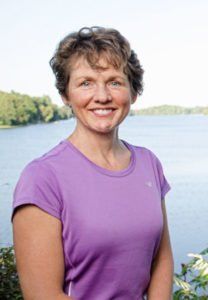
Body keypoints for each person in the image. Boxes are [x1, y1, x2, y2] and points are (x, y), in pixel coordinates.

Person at [11, 26, 174, 300]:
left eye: (115, 82)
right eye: (85, 83)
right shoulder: (42, 177)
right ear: (66, 95)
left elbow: (162, 260)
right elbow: (43, 294)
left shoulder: (149, 164)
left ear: (133, 93)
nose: (102, 96)